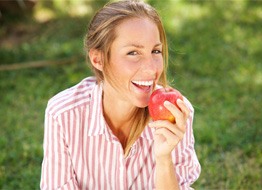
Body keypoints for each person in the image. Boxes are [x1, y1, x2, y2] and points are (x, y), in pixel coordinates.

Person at [40, 0, 201, 189]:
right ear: (98, 59)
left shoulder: (175, 112)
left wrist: (164, 158)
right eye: (133, 53)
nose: (151, 69)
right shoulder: (64, 114)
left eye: (156, 51)